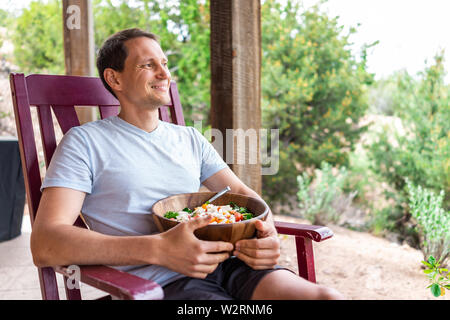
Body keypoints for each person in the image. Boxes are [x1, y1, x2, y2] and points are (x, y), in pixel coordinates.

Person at [30, 28, 344, 300]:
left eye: (164, 64)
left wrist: (268, 235)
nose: (165, 75)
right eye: (148, 65)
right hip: (161, 284)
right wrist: (157, 249)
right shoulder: (85, 142)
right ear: (115, 78)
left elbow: (241, 194)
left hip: (232, 265)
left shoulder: (189, 138)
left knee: (327, 297)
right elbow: (46, 243)